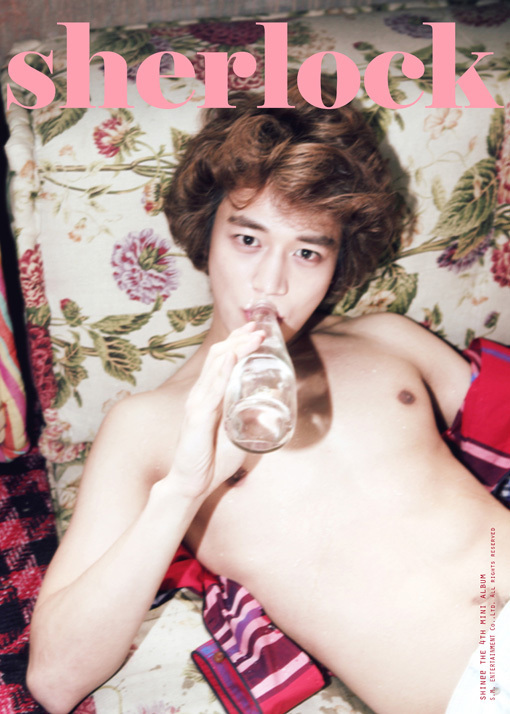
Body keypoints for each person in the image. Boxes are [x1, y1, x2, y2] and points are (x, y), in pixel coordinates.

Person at [26, 83, 510, 714]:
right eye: (249, 240)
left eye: (306, 251)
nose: (271, 283)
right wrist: (183, 490)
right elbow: (54, 680)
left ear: (336, 263)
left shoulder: (387, 340)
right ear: (207, 236)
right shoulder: (147, 426)